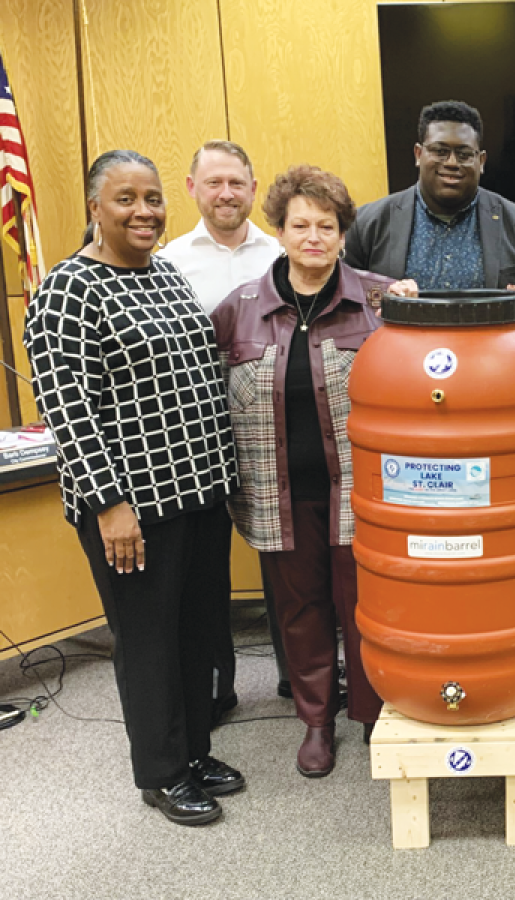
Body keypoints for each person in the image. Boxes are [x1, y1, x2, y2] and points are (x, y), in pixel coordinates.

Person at [24, 150, 244, 826]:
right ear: (94, 207)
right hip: (133, 508)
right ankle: (161, 771)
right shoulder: (69, 289)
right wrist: (108, 506)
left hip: (200, 494)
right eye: (125, 199)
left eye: (151, 197)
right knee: (149, 639)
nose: (143, 211)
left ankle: (196, 750)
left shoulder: (166, 274)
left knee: (197, 632)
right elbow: (69, 409)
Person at [211, 165, 399, 778]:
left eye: (327, 225)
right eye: (300, 225)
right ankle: (317, 720)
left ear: (344, 234)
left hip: (364, 492)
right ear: (280, 230)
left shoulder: (382, 300)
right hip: (277, 493)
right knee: (301, 608)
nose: (313, 236)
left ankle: (372, 713)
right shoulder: (237, 312)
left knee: (363, 606)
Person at [159, 139, 290, 720]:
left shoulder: (280, 253)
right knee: (207, 568)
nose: (225, 194)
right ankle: (218, 687)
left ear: (253, 189)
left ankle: (299, 677)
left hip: (275, 431)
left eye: (236, 182)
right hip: (203, 436)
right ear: (192, 189)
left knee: (284, 557)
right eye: (213, 182)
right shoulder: (169, 262)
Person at [345, 99, 515, 288]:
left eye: (464, 154)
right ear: (418, 154)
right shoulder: (367, 224)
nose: (451, 163)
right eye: (440, 151)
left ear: (481, 161)